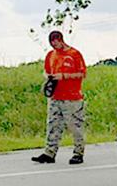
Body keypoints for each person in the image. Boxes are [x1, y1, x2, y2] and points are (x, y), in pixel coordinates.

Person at [32, 30, 86, 165]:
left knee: (75, 125)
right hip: (56, 95)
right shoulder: (51, 55)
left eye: (56, 43)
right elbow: (46, 70)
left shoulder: (74, 54)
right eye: (52, 44)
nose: (55, 47)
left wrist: (63, 76)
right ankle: (49, 153)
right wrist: (48, 77)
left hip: (72, 97)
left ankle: (78, 152)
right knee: (53, 124)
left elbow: (82, 73)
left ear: (61, 40)